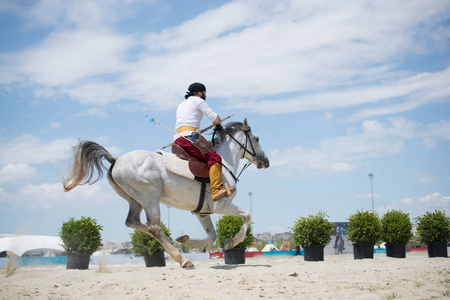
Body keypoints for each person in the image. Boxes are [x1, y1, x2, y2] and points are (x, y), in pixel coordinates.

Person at [174, 82, 231, 201]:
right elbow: (215, 119)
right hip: (190, 137)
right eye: (204, 93)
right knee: (215, 158)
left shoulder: (182, 104)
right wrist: (217, 122)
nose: (205, 95)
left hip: (179, 138)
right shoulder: (199, 101)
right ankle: (215, 190)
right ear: (200, 93)